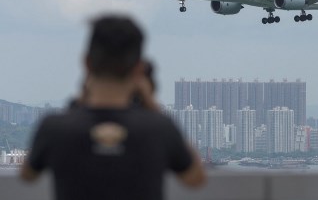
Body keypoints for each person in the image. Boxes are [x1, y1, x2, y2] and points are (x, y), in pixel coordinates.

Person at [21, 14, 206, 200]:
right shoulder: (160, 128)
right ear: (139, 69)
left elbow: (27, 175)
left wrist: (79, 102)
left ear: (86, 63)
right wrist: (152, 104)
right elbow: (195, 178)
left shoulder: (55, 128)